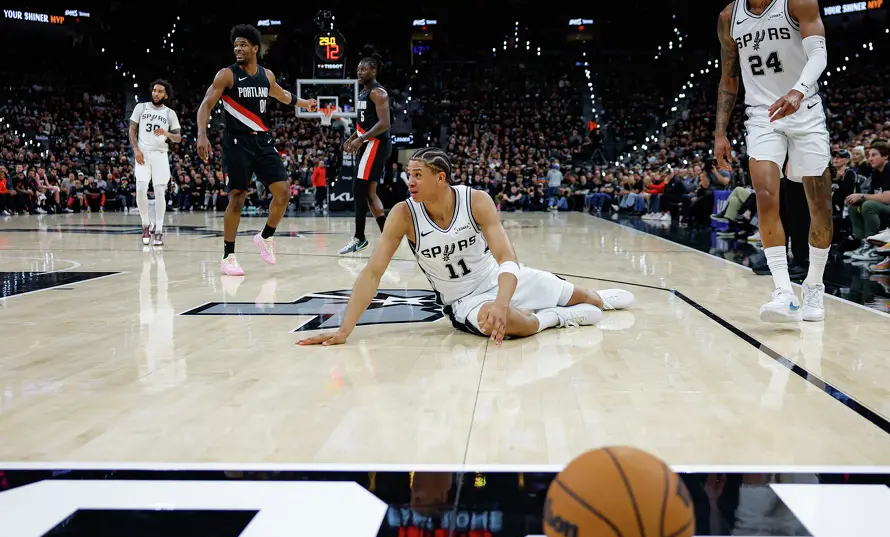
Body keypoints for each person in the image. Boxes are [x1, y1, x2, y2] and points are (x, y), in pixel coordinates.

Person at [297, 148, 635, 347]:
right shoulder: (404, 214)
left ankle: (596, 301)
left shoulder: (475, 200)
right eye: (407, 175)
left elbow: (508, 259)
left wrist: (503, 300)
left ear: (440, 178)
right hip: (464, 300)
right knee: (499, 324)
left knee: (592, 300)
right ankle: (556, 319)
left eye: (416, 175)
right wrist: (344, 330)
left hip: (499, 281)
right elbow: (372, 273)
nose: (409, 182)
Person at [714, 0, 832, 323]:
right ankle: (783, 290)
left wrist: (798, 91)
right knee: (765, 194)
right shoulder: (728, 16)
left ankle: (813, 284)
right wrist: (720, 131)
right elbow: (729, 78)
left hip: (805, 110)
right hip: (762, 116)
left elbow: (819, 54)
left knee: (820, 205)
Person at [196, 24, 318, 276]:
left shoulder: (266, 75)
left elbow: (282, 95)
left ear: (255, 48)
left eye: (243, 45)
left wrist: (303, 102)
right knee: (237, 198)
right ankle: (228, 255)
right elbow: (206, 104)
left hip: (262, 141)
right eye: (235, 45)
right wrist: (202, 134)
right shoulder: (226, 75)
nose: (238, 49)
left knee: (283, 193)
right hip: (236, 142)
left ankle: (265, 237)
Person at [339, 54, 393, 255]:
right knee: (369, 193)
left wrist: (360, 140)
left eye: (364, 69)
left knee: (359, 191)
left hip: (375, 145)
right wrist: (353, 135)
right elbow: (365, 122)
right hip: (368, 143)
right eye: (358, 69)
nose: (359, 72)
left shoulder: (378, 93)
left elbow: (384, 123)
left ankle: (359, 238)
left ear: (374, 71)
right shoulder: (364, 92)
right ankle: (389, 237)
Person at [130, 80, 180, 246]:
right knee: (140, 190)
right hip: (143, 154)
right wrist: (136, 150)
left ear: (165, 95)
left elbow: (178, 138)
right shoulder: (141, 107)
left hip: (161, 155)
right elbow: (132, 129)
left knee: (160, 193)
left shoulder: (170, 113)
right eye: (154, 90)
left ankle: (158, 229)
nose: (156, 94)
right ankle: (146, 225)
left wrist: (167, 132)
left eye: (160, 91)